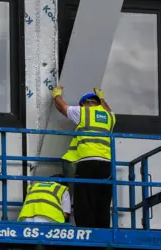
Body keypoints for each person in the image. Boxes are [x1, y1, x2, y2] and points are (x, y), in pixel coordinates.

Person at [52, 87, 115, 228]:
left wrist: (56, 95)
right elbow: (108, 109)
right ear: (98, 102)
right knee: (103, 200)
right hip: (107, 165)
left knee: (84, 200)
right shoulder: (110, 117)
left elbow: (63, 108)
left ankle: (86, 231)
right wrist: (102, 98)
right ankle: (102, 234)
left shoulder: (83, 112)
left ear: (83, 103)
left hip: (87, 162)